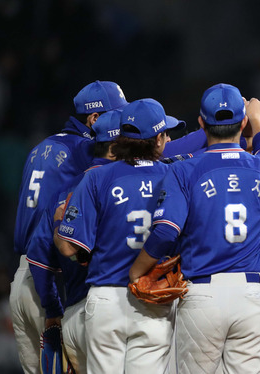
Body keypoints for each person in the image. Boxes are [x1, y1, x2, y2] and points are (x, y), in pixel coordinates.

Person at [129, 83, 260, 374]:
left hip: (203, 294)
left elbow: (165, 232)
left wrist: (137, 271)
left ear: (201, 122)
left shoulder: (184, 169)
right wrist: (258, 120)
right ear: (243, 122)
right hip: (251, 295)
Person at [53, 98, 185, 374]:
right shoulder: (174, 175)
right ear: (159, 138)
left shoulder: (97, 178)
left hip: (105, 299)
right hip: (152, 296)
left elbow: (67, 249)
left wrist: (57, 223)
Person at [10, 80, 128, 374]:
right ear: (95, 119)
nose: (125, 127)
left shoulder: (41, 147)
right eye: (117, 116)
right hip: (50, 281)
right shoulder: (86, 149)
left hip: (23, 278)